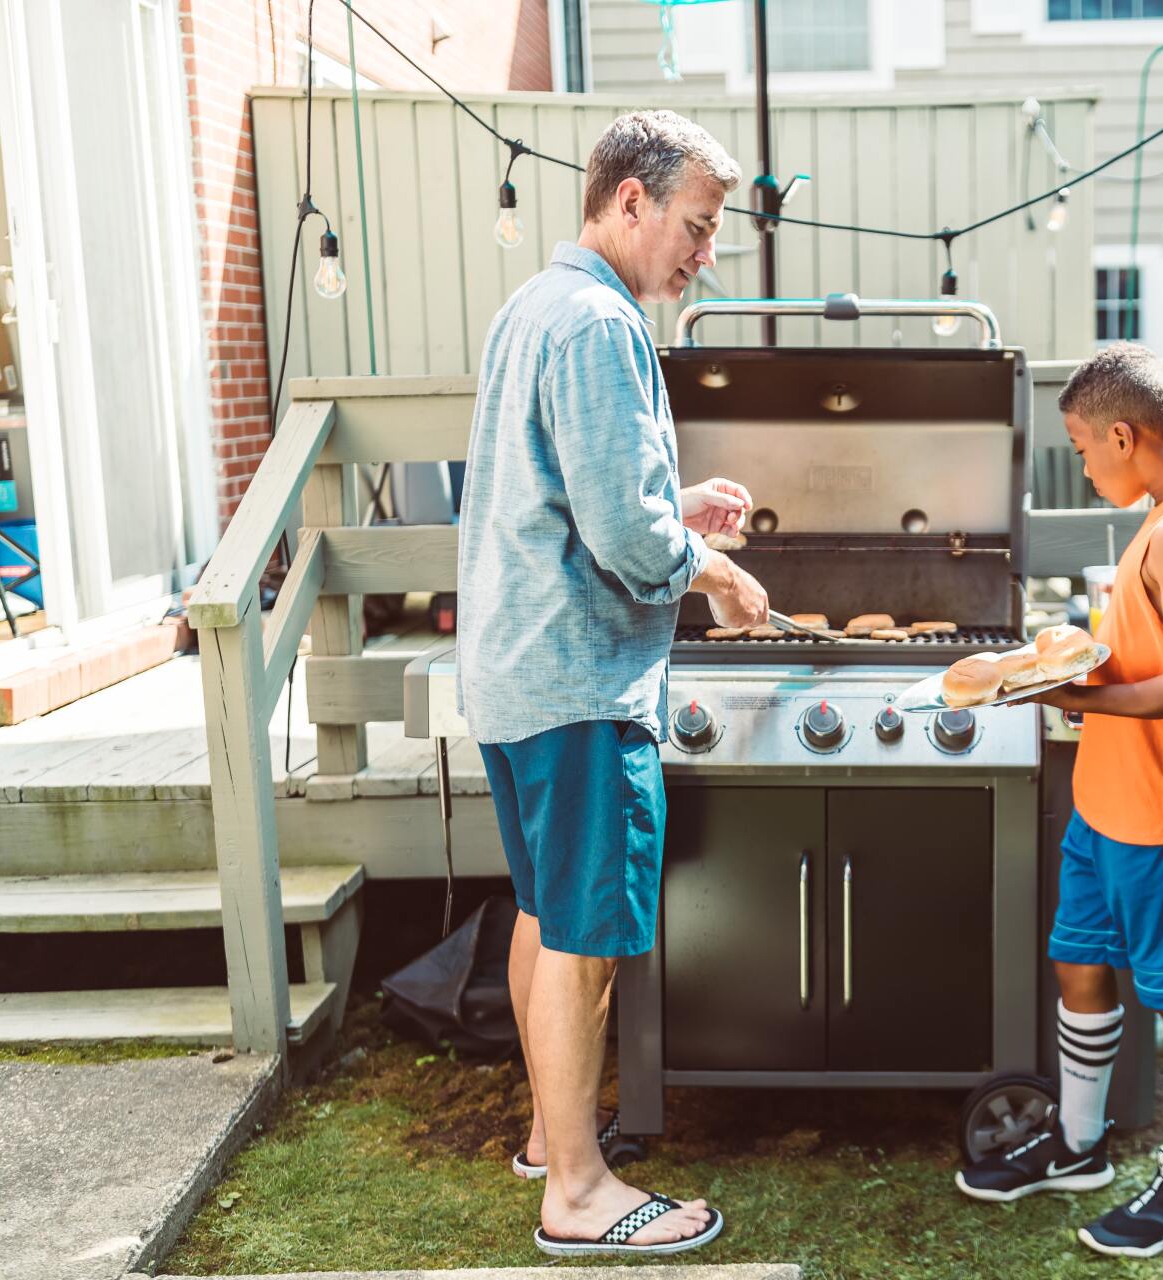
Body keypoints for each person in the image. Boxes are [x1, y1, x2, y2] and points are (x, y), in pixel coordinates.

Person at [456, 110, 768, 1259]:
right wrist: (718, 572)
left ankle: (552, 1136)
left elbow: (571, 494)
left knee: (547, 911)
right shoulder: (599, 323)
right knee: (586, 934)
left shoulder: (534, 308)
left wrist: (673, 506)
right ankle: (579, 1193)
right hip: (579, 678)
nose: (706, 253)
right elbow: (628, 549)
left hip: (514, 671)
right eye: (695, 226)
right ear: (628, 202)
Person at [954, 342, 1163, 1260]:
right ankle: (1080, 1148)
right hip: (1106, 804)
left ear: (1126, 435)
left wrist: (1077, 698)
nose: (1083, 466)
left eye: (1085, 449)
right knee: (1079, 965)